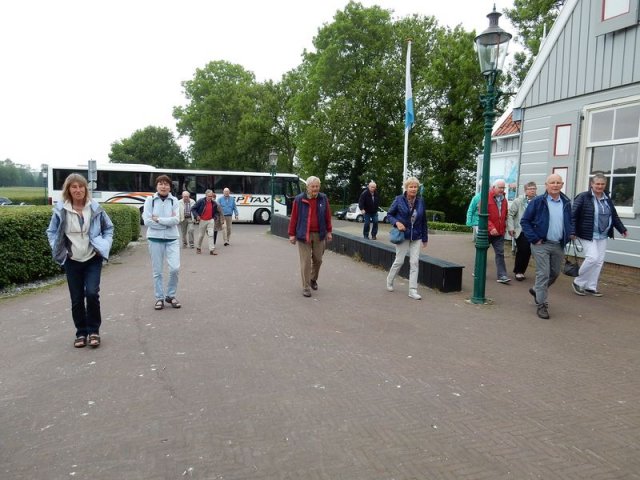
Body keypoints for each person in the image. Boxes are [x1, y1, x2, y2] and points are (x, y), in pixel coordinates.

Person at [46, 173, 114, 348]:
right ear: (68, 189)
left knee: (91, 293)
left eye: (81, 186)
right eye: (74, 187)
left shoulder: (95, 208)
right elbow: (52, 232)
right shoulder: (61, 210)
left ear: (86, 188)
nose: (78, 190)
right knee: (76, 298)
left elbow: (109, 228)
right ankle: (81, 332)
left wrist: (105, 245)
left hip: (93, 258)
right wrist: (58, 247)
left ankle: (94, 331)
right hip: (72, 260)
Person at [520, 173, 572, 319]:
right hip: (541, 243)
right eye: (552, 182)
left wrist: (570, 233)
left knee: (555, 273)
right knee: (543, 273)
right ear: (547, 185)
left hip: (558, 244)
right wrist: (534, 239)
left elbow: (569, 221)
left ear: (562, 185)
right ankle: (542, 304)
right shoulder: (537, 201)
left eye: (558, 182)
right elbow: (525, 221)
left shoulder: (566, 202)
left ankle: (537, 289)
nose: (555, 185)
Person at [570, 173, 628, 297]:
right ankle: (578, 281)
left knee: (599, 261)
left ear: (605, 185)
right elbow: (573, 215)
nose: (600, 186)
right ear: (592, 184)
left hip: (603, 234)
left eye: (602, 184)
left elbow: (614, 216)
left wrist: (622, 229)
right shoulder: (583, 197)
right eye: (597, 184)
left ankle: (591, 286)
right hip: (586, 233)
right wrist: (572, 231)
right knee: (592, 258)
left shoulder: (607, 198)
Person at [288, 176, 333, 297]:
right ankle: (306, 287)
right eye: (313, 186)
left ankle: (313, 279)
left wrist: (329, 231)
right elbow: (294, 218)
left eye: (317, 186)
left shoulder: (323, 198)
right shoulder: (299, 199)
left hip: (319, 234)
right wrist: (292, 234)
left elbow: (327, 216)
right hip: (304, 234)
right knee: (306, 261)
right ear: (307, 187)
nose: (315, 189)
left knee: (318, 259)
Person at [386, 176, 429, 300]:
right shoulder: (399, 200)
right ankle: (389, 280)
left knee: (414, 262)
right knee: (399, 261)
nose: (413, 189)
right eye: (411, 186)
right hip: (403, 235)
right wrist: (397, 223)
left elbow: (424, 221)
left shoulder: (421, 201)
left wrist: (425, 238)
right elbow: (389, 214)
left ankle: (412, 290)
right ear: (406, 188)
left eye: (415, 187)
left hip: (416, 236)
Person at [143, 175, 181, 310]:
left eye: (166, 184)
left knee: (175, 268)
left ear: (170, 187)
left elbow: (176, 220)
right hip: (154, 239)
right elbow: (147, 221)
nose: (163, 186)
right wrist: (167, 222)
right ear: (156, 186)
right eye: (160, 184)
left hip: (172, 239)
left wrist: (158, 220)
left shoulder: (174, 200)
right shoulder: (150, 200)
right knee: (157, 271)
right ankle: (159, 298)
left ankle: (170, 295)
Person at [507, 181, 537, 280]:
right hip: (520, 230)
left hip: (533, 231)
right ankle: (518, 271)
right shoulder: (519, 201)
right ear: (525, 190)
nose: (532, 191)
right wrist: (511, 228)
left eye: (534, 189)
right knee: (522, 250)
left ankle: (521, 271)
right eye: (530, 189)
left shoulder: (538, 201)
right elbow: (510, 215)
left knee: (528, 251)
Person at [486, 179, 510, 283]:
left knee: (500, 253)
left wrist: (504, 228)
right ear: (493, 187)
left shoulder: (504, 200)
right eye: (500, 187)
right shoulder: (486, 198)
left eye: (503, 187)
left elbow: (505, 215)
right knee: (482, 252)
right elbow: (482, 215)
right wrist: (491, 228)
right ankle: (478, 271)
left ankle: (502, 276)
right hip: (486, 232)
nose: (502, 190)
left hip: (499, 232)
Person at [192, 189, 219, 255]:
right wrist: (197, 216)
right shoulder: (201, 201)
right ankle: (198, 248)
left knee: (211, 235)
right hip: (202, 220)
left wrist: (214, 217)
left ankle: (212, 250)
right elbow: (193, 208)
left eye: (211, 196)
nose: (210, 197)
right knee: (201, 235)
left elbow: (216, 212)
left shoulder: (214, 203)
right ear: (206, 195)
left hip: (210, 220)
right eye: (209, 196)